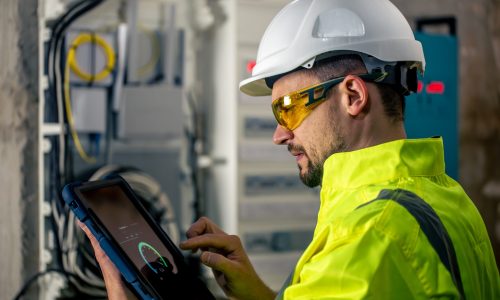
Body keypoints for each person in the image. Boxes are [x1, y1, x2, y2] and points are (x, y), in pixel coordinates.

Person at [80, 0, 500, 299]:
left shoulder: (371, 239)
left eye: (288, 107)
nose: (280, 135)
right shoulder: (448, 198)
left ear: (352, 95)